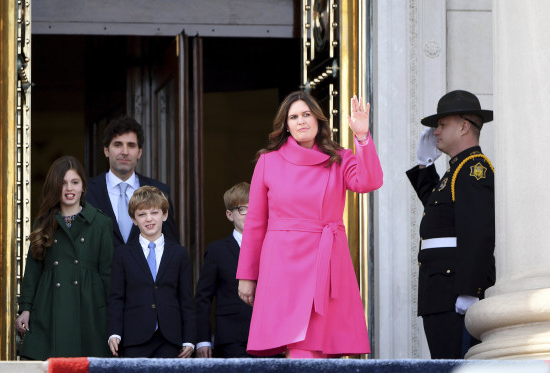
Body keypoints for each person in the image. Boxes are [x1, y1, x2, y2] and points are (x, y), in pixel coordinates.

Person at [236, 91, 383, 358]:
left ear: (318, 119)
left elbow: (368, 182)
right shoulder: (268, 161)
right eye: (294, 117)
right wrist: (247, 276)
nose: (301, 121)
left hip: (325, 262)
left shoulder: (339, 157)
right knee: (299, 348)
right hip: (282, 263)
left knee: (324, 348)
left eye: (306, 115)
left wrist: (362, 137)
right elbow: (256, 222)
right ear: (286, 125)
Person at [406, 90, 495, 359]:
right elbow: (437, 213)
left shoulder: (473, 169)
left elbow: (478, 234)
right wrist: (424, 167)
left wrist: (470, 291)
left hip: (454, 290)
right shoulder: (455, 170)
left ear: (464, 126)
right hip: (440, 291)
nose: (435, 132)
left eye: (442, 125)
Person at [15, 156, 114, 359]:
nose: (69, 188)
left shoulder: (101, 223)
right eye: (63, 183)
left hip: (89, 307)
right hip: (49, 306)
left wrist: (112, 318)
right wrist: (25, 308)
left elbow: (108, 274)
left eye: (75, 182)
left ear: (83, 187)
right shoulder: (43, 222)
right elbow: (33, 268)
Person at [107, 186, 196, 358]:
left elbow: (186, 300)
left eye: (154, 213)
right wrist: (114, 332)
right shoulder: (123, 254)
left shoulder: (179, 253)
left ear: (165, 215)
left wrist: (189, 339)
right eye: (142, 214)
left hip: (169, 338)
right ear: (133, 219)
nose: (149, 219)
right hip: (134, 337)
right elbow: (116, 297)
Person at [84, 116, 179, 248]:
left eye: (131, 145)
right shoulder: (86, 191)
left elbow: (171, 247)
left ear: (139, 152)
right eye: (118, 145)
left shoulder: (160, 191)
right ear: (106, 150)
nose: (125, 152)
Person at [195, 182, 253, 358]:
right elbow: (203, 298)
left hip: (268, 336)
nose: (250, 214)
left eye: (255, 208)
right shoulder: (217, 251)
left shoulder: (271, 246)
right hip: (231, 337)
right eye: (243, 209)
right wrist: (203, 339)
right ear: (230, 214)